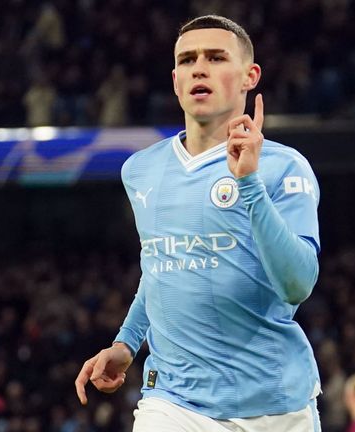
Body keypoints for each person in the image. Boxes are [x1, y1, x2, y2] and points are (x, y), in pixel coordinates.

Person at [74, 15, 322, 432]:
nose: (199, 68)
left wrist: (249, 184)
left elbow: (297, 284)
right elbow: (160, 266)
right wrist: (127, 342)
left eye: (215, 57)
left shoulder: (284, 167)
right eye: (187, 60)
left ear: (249, 76)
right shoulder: (141, 170)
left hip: (277, 403)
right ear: (175, 81)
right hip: (174, 402)